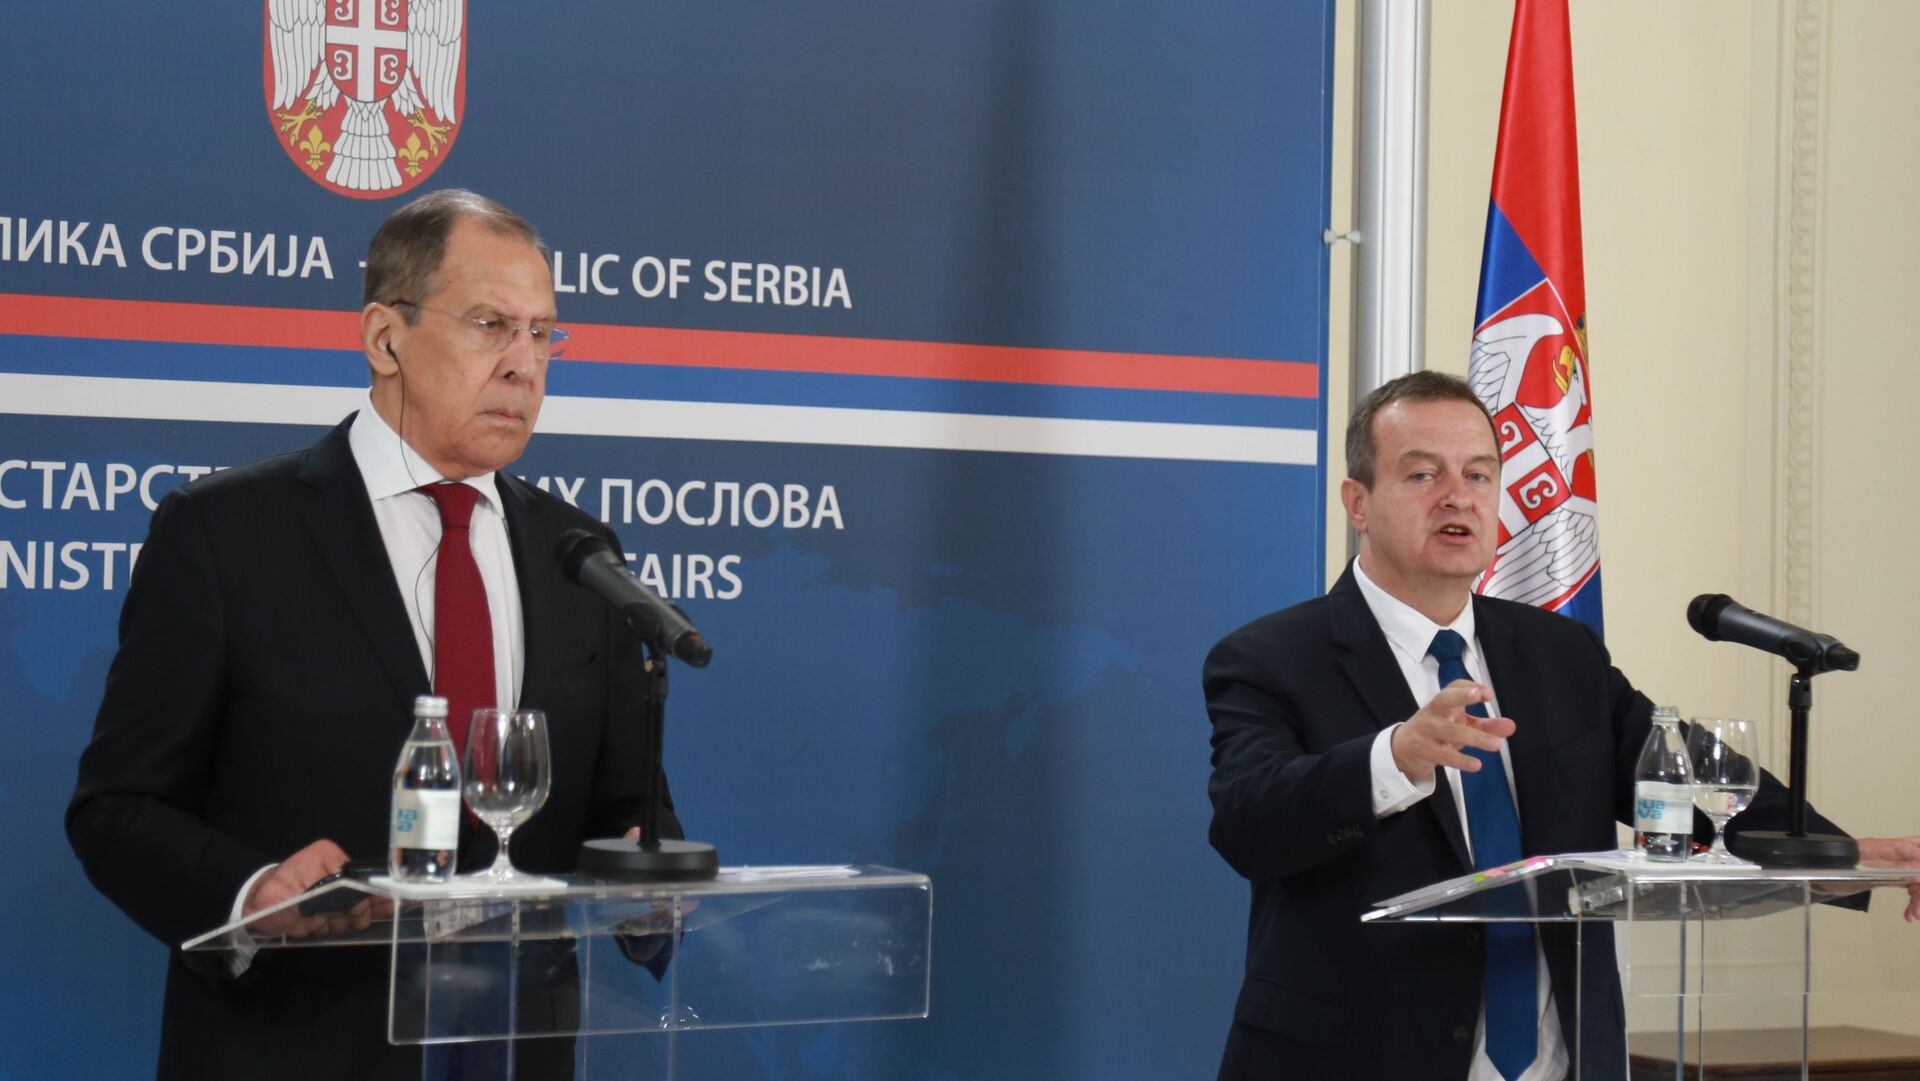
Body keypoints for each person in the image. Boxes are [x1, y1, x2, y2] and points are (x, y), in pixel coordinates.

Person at [66, 189, 680, 1081]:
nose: (524, 364)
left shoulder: (578, 554)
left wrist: (647, 884)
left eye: (543, 333)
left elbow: (629, 809)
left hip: (515, 1050)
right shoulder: (226, 535)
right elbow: (118, 808)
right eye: (491, 325)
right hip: (296, 1049)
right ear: (385, 338)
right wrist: (251, 893)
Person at [1203, 371, 1920, 1081]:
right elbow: (1247, 823)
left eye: (1479, 475)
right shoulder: (1272, 657)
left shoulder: (1561, 653)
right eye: (1423, 474)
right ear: (1358, 502)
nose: (1458, 496)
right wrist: (1395, 757)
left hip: (1563, 1061)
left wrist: (1838, 853)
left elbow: (1686, 779)